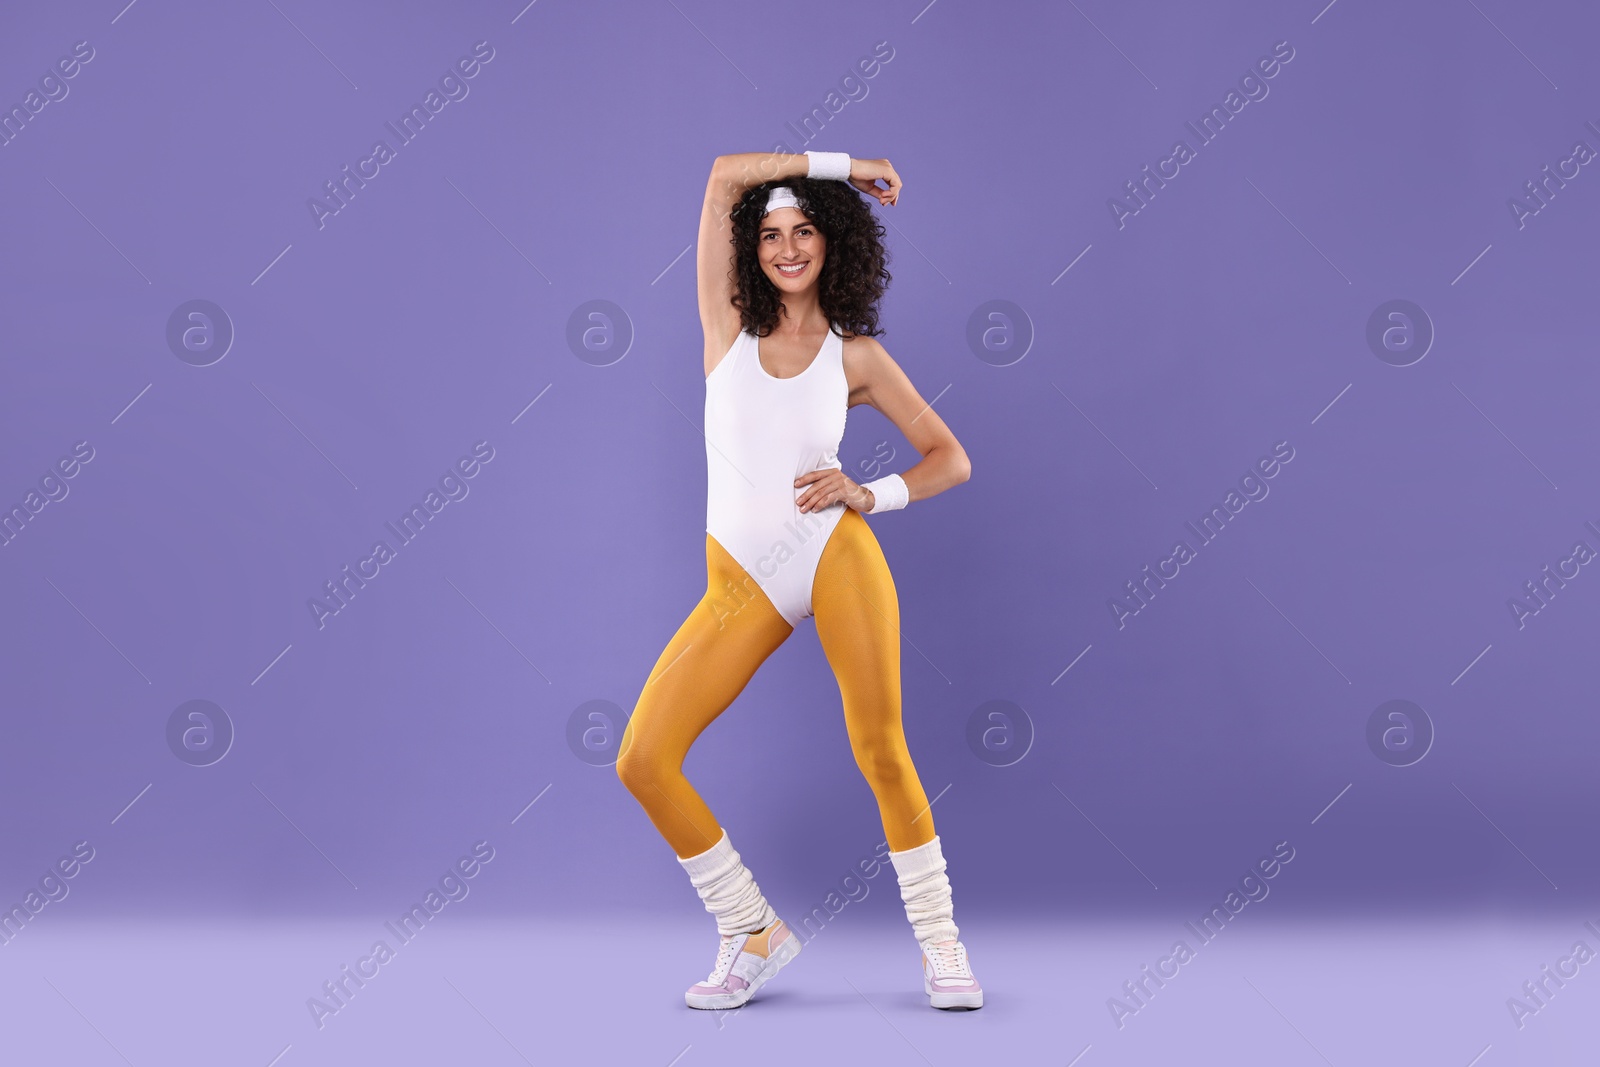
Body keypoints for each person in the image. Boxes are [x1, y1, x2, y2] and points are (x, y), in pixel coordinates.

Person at [616, 149, 982, 1011]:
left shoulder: (854, 358)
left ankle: (942, 946)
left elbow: (951, 458)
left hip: (833, 554)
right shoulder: (724, 325)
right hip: (741, 581)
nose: (787, 248)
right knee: (643, 758)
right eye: (772, 233)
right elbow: (717, 177)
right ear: (752, 244)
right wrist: (845, 164)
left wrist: (870, 493)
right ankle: (752, 928)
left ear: (832, 243)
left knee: (880, 750)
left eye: (804, 230)